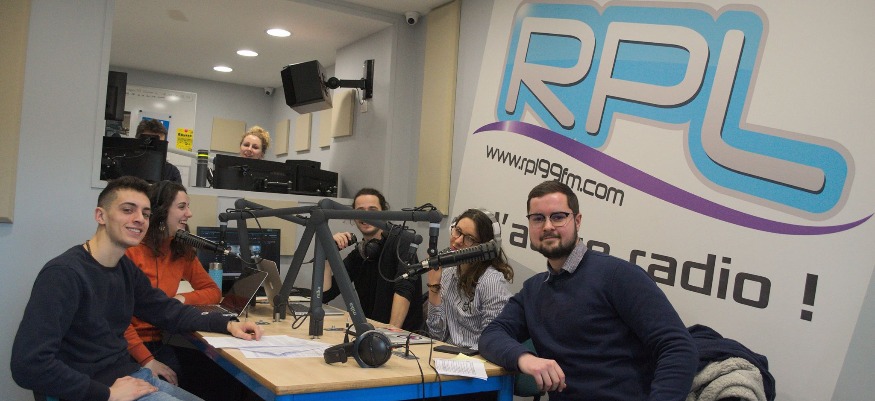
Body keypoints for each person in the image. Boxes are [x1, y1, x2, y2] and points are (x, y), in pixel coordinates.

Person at [10, 176, 263, 401]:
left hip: (130, 377)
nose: (139, 219)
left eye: (145, 213)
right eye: (127, 210)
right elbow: (28, 365)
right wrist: (107, 394)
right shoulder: (64, 274)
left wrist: (227, 324)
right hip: (99, 390)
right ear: (100, 216)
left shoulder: (123, 269)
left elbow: (167, 311)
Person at [478, 180, 697, 400]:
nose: (547, 226)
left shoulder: (618, 276)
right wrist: (524, 358)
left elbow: (677, 347)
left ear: (577, 221)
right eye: (538, 218)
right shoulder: (533, 290)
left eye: (558, 217)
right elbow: (491, 335)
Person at [322, 188, 423, 332]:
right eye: (360, 211)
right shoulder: (360, 254)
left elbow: (404, 289)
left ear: (384, 212)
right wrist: (327, 253)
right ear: (353, 216)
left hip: (402, 336)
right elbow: (325, 295)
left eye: (372, 210)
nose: (366, 216)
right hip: (372, 333)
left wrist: (391, 331)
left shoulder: (403, 240)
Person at [426, 208, 513, 350]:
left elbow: (494, 341)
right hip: (447, 354)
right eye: (458, 231)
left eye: (469, 239)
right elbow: (437, 335)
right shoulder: (448, 273)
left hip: (478, 359)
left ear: (485, 246)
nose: (458, 241)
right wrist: (434, 286)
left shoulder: (491, 281)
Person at [135, 119, 182, 183]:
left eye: (159, 144)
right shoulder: (124, 166)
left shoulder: (171, 172)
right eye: (149, 143)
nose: (153, 148)